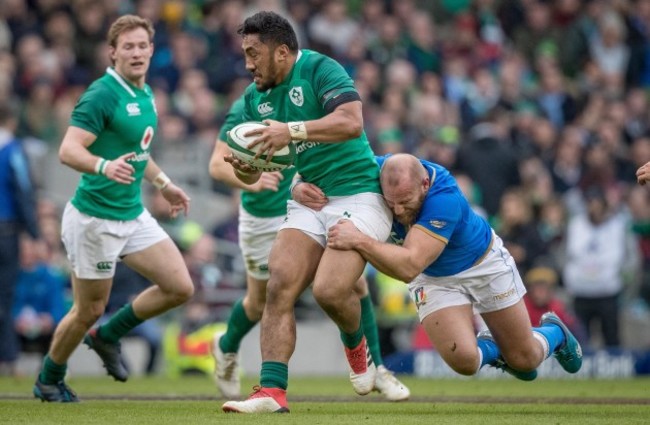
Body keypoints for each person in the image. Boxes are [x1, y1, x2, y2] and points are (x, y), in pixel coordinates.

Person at [221, 12, 394, 413]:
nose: (247, 64)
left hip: (360, 194)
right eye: (244, 53)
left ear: (282, 52)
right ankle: (271, 391)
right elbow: (261, 166)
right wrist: (246, 165)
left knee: (331, 290)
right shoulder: (254, 98)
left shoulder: (319, 68)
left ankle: (357, 347)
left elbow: (351, 122)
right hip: (308, 199)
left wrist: (292, 130)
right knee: (279, 283)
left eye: (253, 53)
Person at [304, 153, 582, 383]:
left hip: (482, 265)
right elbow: (321, 168)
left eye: (406, 202)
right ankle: (497, 347)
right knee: (465, 362)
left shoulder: (445, 198)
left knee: (526, 359)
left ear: (425, 184)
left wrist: (359, 239)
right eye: (392, 203)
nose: (399, 212)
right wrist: (296, 187)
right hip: (434, 277)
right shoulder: (371, 170)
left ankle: (554, 332)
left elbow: (409, 266)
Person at [33, 15, 194, 402]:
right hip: (94, 220)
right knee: (88, 309)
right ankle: (49, 378)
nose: (136, 52)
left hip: (131, 213)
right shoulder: (102, 93)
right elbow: (68, 149)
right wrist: (104, 166)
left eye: (142, 46)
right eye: (128, 46)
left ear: (152, 50)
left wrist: (164, 184)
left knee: (179, 287)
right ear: (113, 52)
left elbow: (139, 153)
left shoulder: (145, 93)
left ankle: (108, 335)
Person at [208, 96, 409, 401]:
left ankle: (377, 368)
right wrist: (253, 182)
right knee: (260, 301)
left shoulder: (306, 98)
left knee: (352, 284)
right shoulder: (247, 105)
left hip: (312, 207)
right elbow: (216, 165)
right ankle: (225, 345)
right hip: (263, 217)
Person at [0, 102, 41, 377]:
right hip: (5, 232)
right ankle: (8, 359)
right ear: (11, 121)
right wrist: (35, 233)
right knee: (5, 296)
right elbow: (23, 190)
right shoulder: (12, 150)